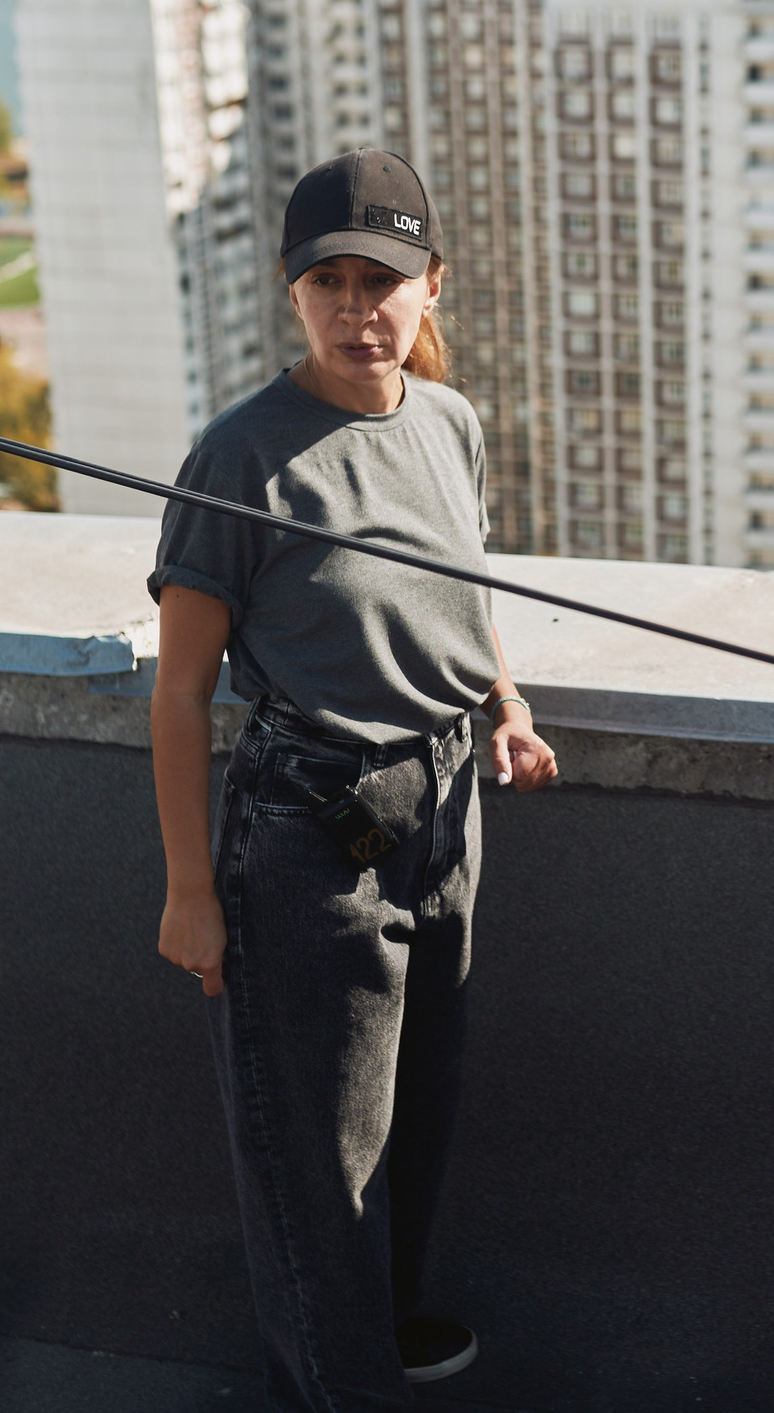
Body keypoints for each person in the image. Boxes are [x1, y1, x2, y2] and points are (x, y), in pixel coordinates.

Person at [147, 149, 559, 1413]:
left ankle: (377, 1327)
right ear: (293, 295)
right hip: (308, 833)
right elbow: (177, 692)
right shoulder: (242, 456)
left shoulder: (449, 421)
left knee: (418, 1114)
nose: (354, 307)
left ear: (432, 288)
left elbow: (459, 588)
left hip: (446, 810)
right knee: (318, 1158)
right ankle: (338, 1383)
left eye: (380, 279)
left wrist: (504, 701)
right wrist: (187, 890)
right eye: (326, 280)